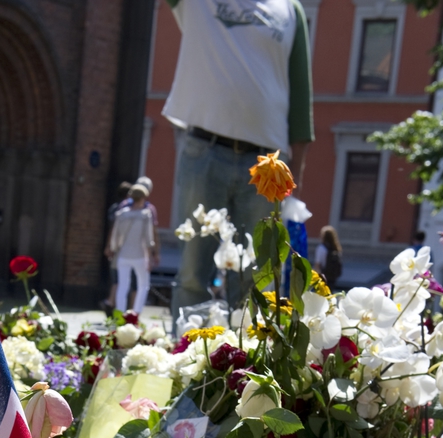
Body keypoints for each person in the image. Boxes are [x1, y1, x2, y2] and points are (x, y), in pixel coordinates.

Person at [164, 0, 314, 314]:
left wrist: (293, 183)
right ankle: (183, 358)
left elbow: (301, 99)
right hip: (204, 146)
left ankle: (246, 362)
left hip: (267, 164)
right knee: (192, 274)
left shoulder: (290, 10)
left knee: (256, 281)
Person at [110, 184, 159, 314]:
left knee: (122, 286)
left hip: (123, 254)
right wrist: (149, 257)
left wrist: (114, 249)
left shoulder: (121, 214)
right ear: (143, 197)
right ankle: (136, 313)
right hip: (139, 255)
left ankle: (119, 314)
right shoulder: (145, 215)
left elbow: (115, 236)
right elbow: (148, 238)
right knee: (143, 285)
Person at [103, 182, 133, 312]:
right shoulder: (127, 210)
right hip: (125, 248)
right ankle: (112, 303)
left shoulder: (114, 208)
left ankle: (111, 302)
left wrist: (109, 245)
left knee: (116, 278)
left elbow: (111, 229)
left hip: (116, 246)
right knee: (121, 279)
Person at [314, 226, 342, 290]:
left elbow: (317, 264)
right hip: (333, 277)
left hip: (323, 276)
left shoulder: (321, 248)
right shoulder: (336, 248)